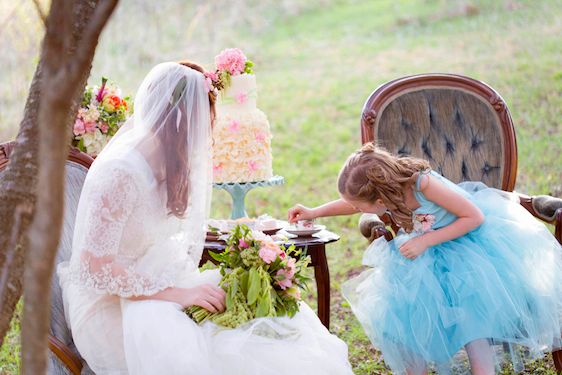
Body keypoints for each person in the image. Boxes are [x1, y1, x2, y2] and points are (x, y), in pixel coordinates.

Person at [58, 62, 353, 375]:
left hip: (158, 279)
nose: (207, 134)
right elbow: (95, 270)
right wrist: (180, 295)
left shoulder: (165, 160)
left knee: (263, 322)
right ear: (180, 123)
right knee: (212, 353)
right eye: (204, 121)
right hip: (111, 305)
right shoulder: (119, 174)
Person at [288, 143, 562, 374]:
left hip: (468, 247)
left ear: (380, 198)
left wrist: (426, 240)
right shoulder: (384, 190)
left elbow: (475, 217)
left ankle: (482, 368)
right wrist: (313, 212)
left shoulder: (424, 185)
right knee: (408, 309)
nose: (356, 210)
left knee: (472, 316)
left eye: (361, 207)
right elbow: (351, 203)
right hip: (426, 252)